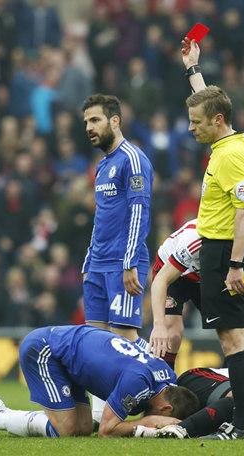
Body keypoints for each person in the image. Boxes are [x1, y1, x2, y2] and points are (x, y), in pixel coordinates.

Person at [181, 37, 244, 439]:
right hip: (234, 249)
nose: (191, 128)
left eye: (197, 122)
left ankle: (242, 423)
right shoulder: (233, 140)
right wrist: (194, 70)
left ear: (216, 121)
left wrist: (232, 264)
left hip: (225, 251)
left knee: (232, 339)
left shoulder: (228, 156)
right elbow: (209, 102)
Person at [0, 325, 198, 438]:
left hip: (73, 351)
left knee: (81, 428)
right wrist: (149, 421)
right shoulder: (139, 382)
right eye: (166, 419)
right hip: (46, 350)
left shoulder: (166, 376)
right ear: (166, 408)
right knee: (67, 430)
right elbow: (107, 432)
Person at [148, 219, 244, 379]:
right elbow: (161, 280)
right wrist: (158, 325)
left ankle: (237, 391)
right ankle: (163, 386)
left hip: (208, 277)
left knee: (239, 336)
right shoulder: (196, 240)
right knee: (173, 334)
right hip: (173, 271)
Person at [80, 94, 153, 345]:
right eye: (87, 122)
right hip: (98, 264)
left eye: (95, 120)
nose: (89, 127)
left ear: (115, 121)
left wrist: (129, 262)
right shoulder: (101, 166)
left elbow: (139, 211)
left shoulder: (133, 159)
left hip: (123, 263)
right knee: (97, 346)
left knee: (124, 340)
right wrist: (89, 262)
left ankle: (160, 372)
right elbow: (102, 216)